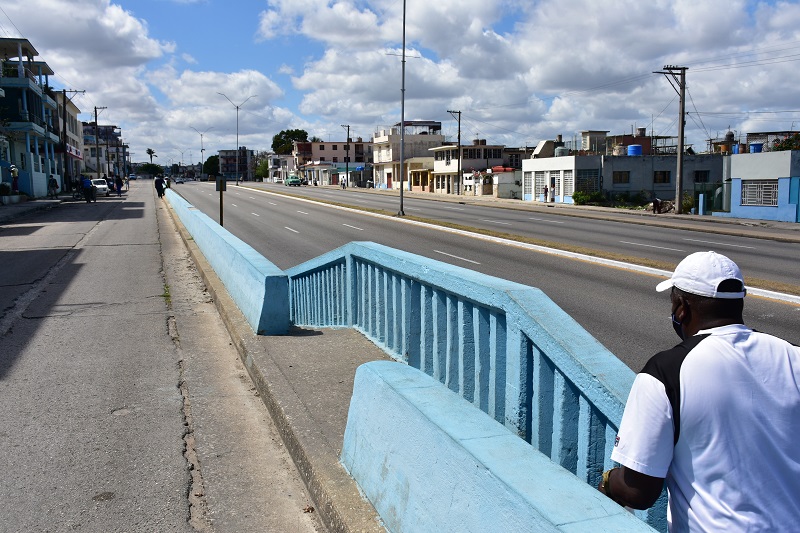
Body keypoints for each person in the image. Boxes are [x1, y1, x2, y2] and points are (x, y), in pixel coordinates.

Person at [598, 251, 800, 531]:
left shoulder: (665, 371)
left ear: (682, 307)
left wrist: (609, 481)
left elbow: (638, 492)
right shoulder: (793, 356)